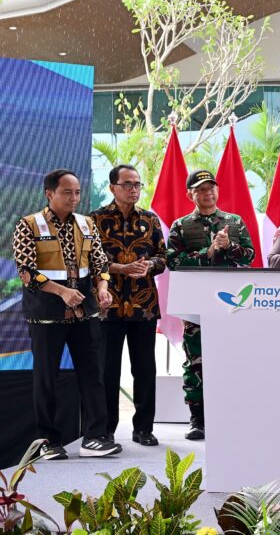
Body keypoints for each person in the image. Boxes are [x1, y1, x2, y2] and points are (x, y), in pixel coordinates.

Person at [13, 168, 121, 459]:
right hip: (46, 314)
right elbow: (26, 273)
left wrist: (102, 289)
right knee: (46, 377)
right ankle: (47, 442)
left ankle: (95, 436)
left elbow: (100, 264)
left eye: (77, 192)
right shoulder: (29, 225)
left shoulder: (87, 224)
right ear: (50, 194)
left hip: (85, 311)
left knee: (92, 374)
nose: (74, 198)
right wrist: (61, 292)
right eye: (67, 192)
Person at [166, 169, 255, 440]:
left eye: (211, 188)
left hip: (230, 302)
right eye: (201, 189)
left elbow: (249, 256)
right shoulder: (181, 226)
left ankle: (231, 413)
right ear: (190, 194)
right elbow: (173, 260)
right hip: (196, 303)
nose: (208, 193)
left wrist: (229, 247)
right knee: (196, 360)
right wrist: (210, 252)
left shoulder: (234, 222)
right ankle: (198, 419)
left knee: (232, 357)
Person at [90, 164, 167, 447]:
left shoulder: (150, 219)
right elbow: (89, 261)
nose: (133, 189)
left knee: (145, 368)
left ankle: (144, 428)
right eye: (127, 184)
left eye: (137, 184)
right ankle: (106, 429)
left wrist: (149, 265)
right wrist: (120, 268)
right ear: (112, 188)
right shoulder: (94, 220)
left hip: (143, 305)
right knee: (107, 370)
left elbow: (163, 257)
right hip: (106, 306)